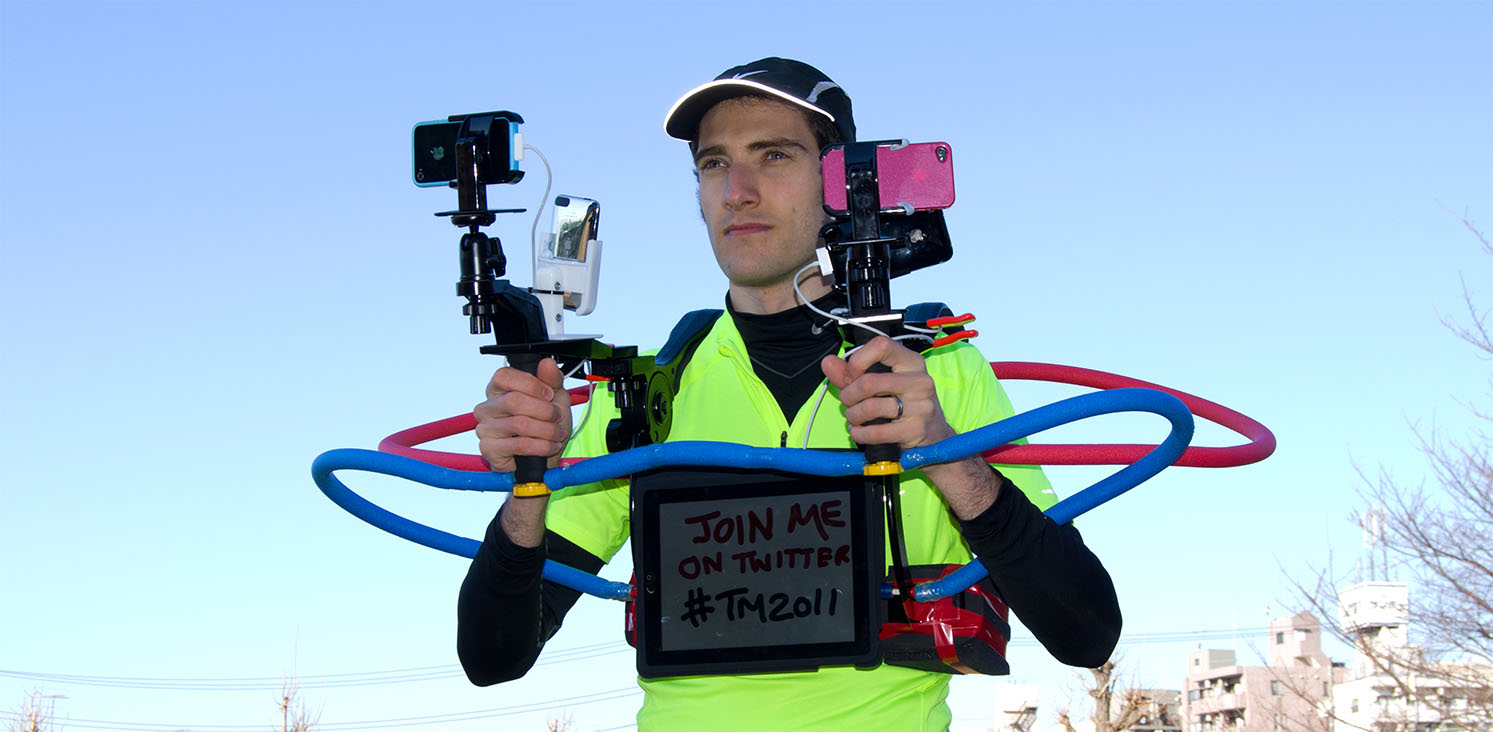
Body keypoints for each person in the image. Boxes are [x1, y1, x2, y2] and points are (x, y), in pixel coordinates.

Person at [458, 57, 1121, 732]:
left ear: (840, 182)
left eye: (773, 155)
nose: (737, 191)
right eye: (713, 163)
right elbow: (491, 657)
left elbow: (1086, 633)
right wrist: (528, 484)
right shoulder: (648, 391)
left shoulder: (938, 372)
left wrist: (945, 453)